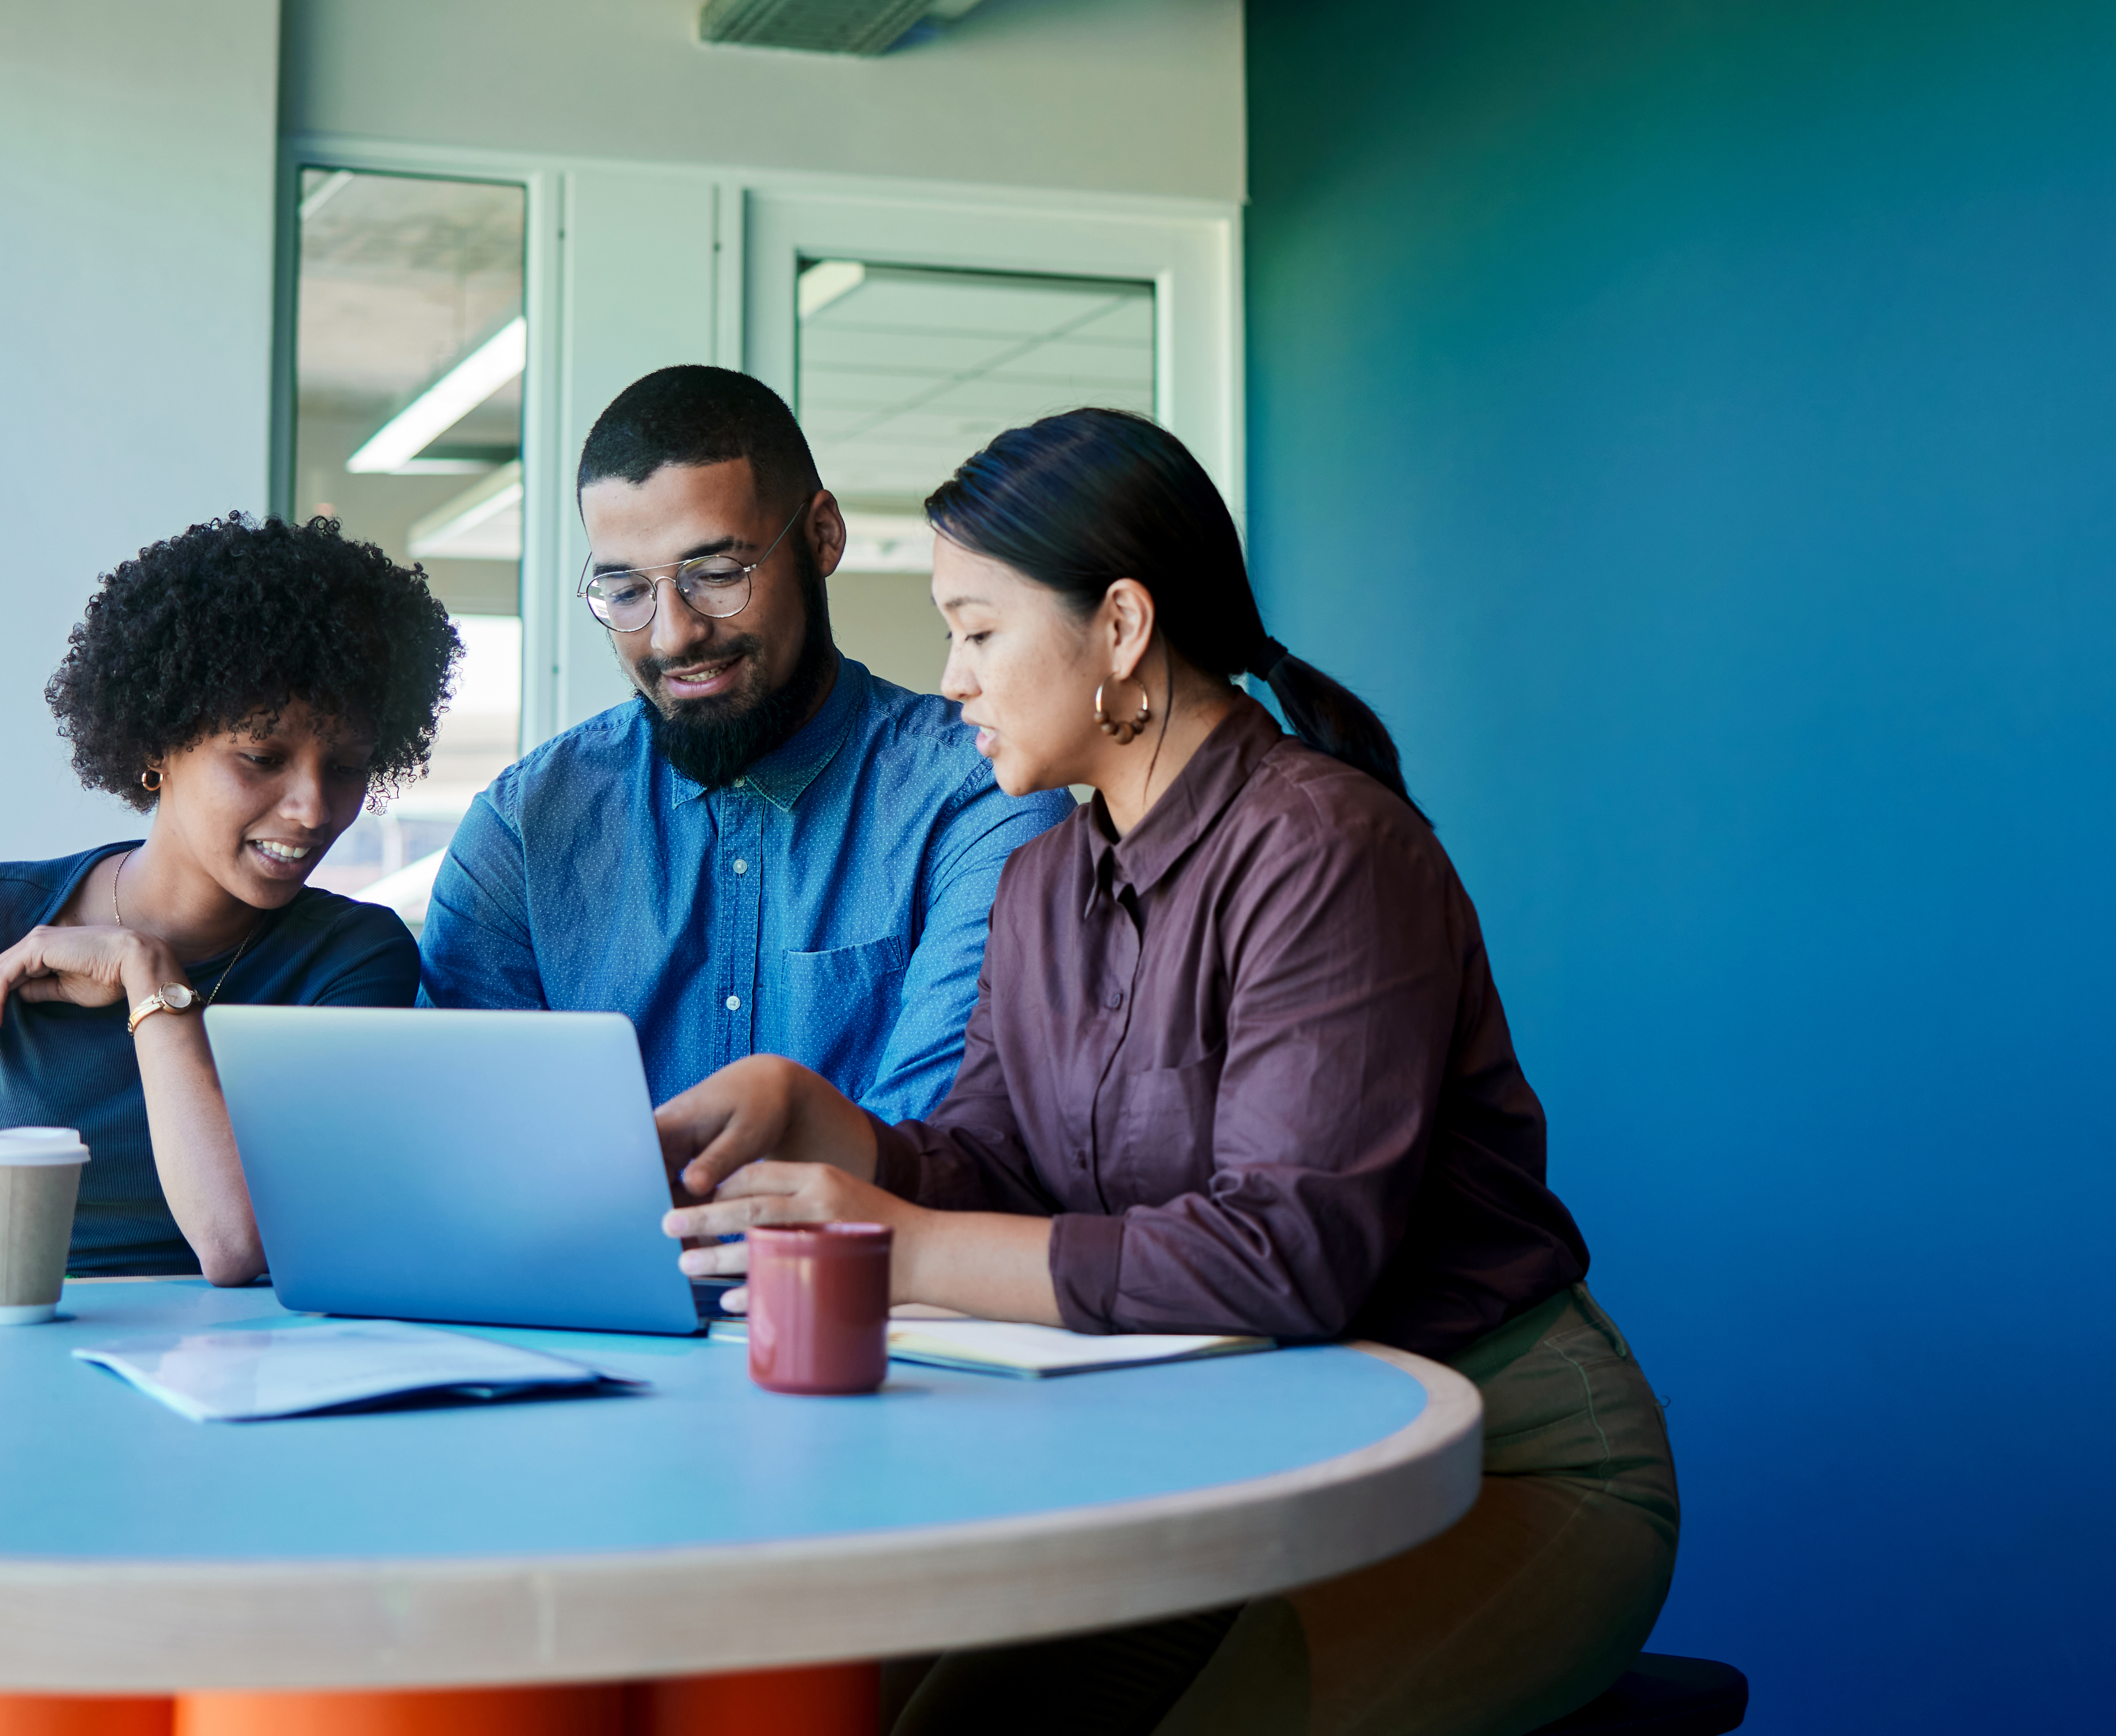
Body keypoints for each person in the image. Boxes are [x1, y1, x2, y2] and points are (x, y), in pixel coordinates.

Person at [654, 410, 1680, 1736]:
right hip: (1244, 1455)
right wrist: (838, 1130)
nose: (952, 679)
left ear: (1122, 627)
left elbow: (1285, 1259)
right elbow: (1000, 1163)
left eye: (977, 630)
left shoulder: (1326, 850)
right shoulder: (1040, 882)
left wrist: (902, 1247)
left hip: (1488, 1453)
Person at [421, 366, 1069, 1119]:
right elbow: (472, 1140)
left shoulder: (982, 793)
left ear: (822, 536)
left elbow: (938, 1144)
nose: (674, 635)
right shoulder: (522, 831)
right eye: (627, 591)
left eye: (717, 574)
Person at [0, 513, 460, 1288]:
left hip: (255, 1360)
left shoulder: (353, 960)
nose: (314, 807)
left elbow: (237, 1243)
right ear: (158, 744)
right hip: (18, 1348)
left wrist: (147, 977)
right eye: (262, 757)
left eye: (346, 766)